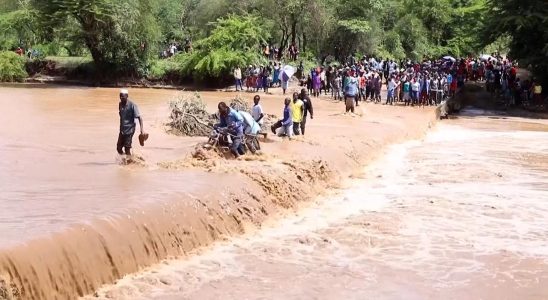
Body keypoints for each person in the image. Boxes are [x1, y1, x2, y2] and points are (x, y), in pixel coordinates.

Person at [117, 89, 144, 156]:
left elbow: (140, 118)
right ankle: (128, 159)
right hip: (122, 130)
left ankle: (129, 163)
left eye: (123, 96)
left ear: (127, 96)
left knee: (127, 148)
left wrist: (142, 130)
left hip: (130, 130)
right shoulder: (120, 104)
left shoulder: (132, 105)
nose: (121, 98)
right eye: (120, 96)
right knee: (119, 148)